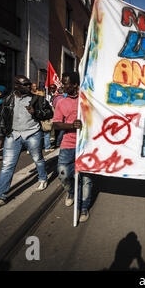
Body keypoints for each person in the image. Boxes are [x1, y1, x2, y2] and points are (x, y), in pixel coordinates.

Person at [0, 75, 54, 210]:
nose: (29, 86)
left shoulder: (37, 99)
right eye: (25, 85)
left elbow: (49, 113)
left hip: (33, 134)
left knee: (37, 159)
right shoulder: (8, 99)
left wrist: (36, 112)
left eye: (28, 84)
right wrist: (0, 137)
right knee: (7, 165)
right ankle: (0, 196)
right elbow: (2, 119)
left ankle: (43, 178)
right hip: (13, 135)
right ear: (16, 86)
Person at [53, 72, 93, 223]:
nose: (63, 86)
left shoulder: (88, 100)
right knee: (63, 173)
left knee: (86, 179)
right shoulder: (61, 103)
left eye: (66, 83)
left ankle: (83, 207)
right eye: (63, 83)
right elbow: (56, 124)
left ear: (75, 85)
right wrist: (71, 125)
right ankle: (71, 191)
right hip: (68, 144)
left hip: (87, 145)